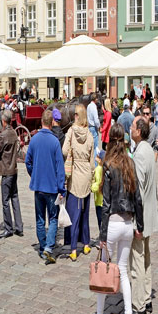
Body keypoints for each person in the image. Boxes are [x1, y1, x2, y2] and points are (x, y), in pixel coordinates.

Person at [93, 126, 143, 314]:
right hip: (128, 223)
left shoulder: (108, 165)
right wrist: (139, 225)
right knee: (123, 270)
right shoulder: (130, 163)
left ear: (110, 142)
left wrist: (102, 235)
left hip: (113, 221)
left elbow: (105, 203)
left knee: (104, 269)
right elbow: (137, 198)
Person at [129, 116, 158, 314]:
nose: (129, 128)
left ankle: (139, 303)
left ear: (138, 131)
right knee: (146, 257)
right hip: (149, 213)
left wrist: (137, 222)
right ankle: (147, 298)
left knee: (138, 261)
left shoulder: (140, 154)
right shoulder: (148, 149)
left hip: (141, 215)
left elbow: (138, 190)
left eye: (132, 126)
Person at [25, 113, 66, 264]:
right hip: (52, 186)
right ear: (52, 122)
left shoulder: (34, 139)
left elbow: (27, 161)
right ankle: (48, 247)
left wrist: (34, 174)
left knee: (40, 218)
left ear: (42, 121)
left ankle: (43, 248)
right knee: (53, 218)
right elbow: (59, 168)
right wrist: (62, 188)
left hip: (39, 186)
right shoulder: (55, 142)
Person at [62, 105, 96, 260]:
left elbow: (63, 151)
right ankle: (87, 243)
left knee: (74, 213)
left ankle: (74, 247)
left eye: (75, 114)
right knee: (85, 212)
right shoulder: (89, 134)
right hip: (86, 175)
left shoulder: (71, 131)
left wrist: (70, 153)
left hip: (75, 173)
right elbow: (92, 159)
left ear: (78, 116)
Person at [0, 112, 23, 238]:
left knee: (5, 201)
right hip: (14, 170)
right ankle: (19, 226)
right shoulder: (14, 133)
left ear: (4, 121)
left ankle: (8, 228)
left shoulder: (4, 135)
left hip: (6, 171)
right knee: (14, 198)